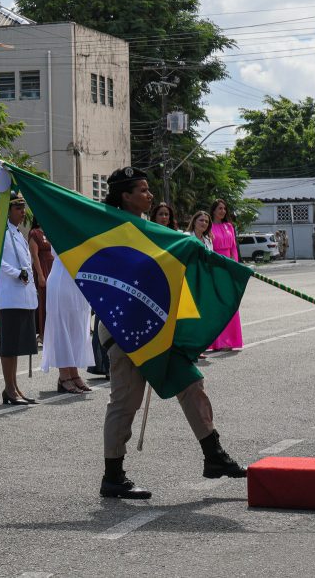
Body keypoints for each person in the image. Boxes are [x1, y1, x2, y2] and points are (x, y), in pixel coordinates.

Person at [98, 168, 245, 500]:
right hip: (124, 327)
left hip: (157, 324)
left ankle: (213, 455)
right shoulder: (108, 226)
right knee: (126, 402)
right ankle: (113, 476)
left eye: (150, 190)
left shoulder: (150, 229)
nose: (150, 196)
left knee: (191, 383)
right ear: (125, 195)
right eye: (143, 190)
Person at [0, 193, 39, 404]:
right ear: (8, 210)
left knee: (18, 346)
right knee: (9, 346)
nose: (22, 212)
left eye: (23, 208)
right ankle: (9, 388)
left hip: (23, 295)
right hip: (10, 295)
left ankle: (14, 387)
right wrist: (16, 273)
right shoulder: (1, 233)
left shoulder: (18, 233)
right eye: (18, 208)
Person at [41, 253, 94, 393]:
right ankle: (64, 376)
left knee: (77, 328)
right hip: (62, 277)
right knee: (62, 327)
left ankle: (74, 373)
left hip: (78, 277)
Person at [209, 199, 243, 352]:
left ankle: (230, 340)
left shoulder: (229, 226)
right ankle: (217, 342)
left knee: (230, 304)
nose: (222, 211)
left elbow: (234, 248)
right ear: (214, 210)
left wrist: (235, 266)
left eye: (224, 208)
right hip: (216, 268)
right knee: (217, 305)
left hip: (229, 267)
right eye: (219, 208)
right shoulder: (208, 227)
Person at [27, 217, 52, 345]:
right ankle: (41, 334)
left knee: (51, 301)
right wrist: (40, 275)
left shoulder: (50, 231)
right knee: (43, 301)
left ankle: (50, 331)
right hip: (42, 268)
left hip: (52, 268)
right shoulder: (34, 233)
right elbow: (34, 255)